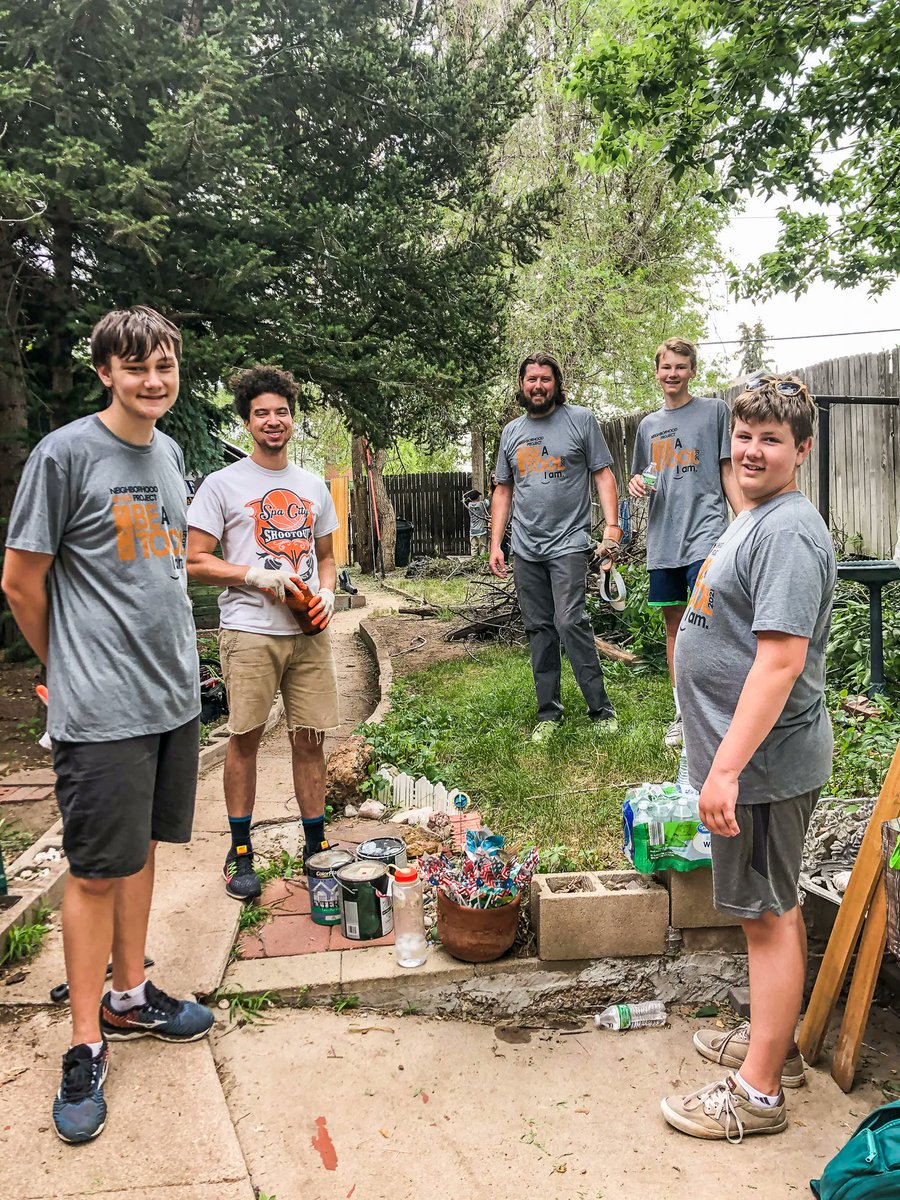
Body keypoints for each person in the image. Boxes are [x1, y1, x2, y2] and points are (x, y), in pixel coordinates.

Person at [2, 306, 212, 1145]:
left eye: (163, 365)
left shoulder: (168, 451)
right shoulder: (64, 456)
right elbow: (21, 581)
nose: (152, 380)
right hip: (103, 709)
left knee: (140, 852)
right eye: (135, 368)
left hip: (172, 699)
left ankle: (130, 994)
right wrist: (66, 667)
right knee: (91, 873)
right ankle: (85, 1040)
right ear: (106, 374)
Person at [660, 375, 836, 1142]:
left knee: (766, 916)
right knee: (773, 907)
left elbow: (778, 663)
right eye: (744, 435)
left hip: (762, 766)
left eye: (772, 439)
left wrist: (726, 769)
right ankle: (778, 1048)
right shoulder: (757, 512)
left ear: (803, 450)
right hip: (748, 761)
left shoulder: (790, 533)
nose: (753, 450)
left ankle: (759, 1092)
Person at [186, 365, 340, 901]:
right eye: (261, 413)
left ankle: (317, 848)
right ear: (248, 421)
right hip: (249, 631)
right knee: (245, 737)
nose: (273, 421)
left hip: (308, 633)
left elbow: (326, 556)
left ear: (293, 419)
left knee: (310, 738)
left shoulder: (312, 485)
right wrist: (252, 574)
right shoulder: (221, 485)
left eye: (281, 412)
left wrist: (325, 591)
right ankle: (240, 851)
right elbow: (195, 561)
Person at [490, 352, 621, 741]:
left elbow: (603, 474)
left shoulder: (580, 420)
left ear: (556, 384)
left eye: (545, 379)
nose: (538, 386)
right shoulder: (512, 432)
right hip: (526, 548)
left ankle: (601, 710)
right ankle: (549, 713)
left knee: (569, 621)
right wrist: (496, 543)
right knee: (540, 629)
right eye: (531, 379)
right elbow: (502, 490)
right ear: (521, 385)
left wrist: (612, 527)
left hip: (568, 542)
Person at [628, 338, 742, 748]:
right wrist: (636, 481)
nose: (672, 373)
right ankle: (682, 713)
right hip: (663, 541)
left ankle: (719, 707)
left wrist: (745, 519)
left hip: (706, 535)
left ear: (692, 370)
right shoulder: (647, 426)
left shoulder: (714, 412)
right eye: (665, 367)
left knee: (709, 623)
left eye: (680, 366)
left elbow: (726, 469)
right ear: (656, 373)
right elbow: (644, 475)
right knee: (675, 626)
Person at [462, 488, 490, 556]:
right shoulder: (481, 504)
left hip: (473, 530)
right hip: (481, 530)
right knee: (482, 546)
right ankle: (482, 560)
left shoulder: (469, 505)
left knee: (474, 547)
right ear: (477, 497)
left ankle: (474, 560)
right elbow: (488, 502)